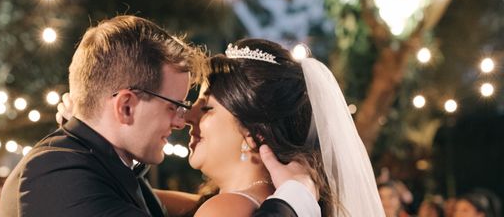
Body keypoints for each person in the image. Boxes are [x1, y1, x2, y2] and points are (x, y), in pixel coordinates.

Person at [0, 16, 314, 216]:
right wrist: (293, 201)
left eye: (200, 107)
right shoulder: (56, 176)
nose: (181, 119)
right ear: (125, 107)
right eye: (173, 105)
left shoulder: (88, 162)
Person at [155, 39, 383, 216]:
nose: (188, 116)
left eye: (207, 109)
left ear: (254, 134)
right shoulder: (263, 200)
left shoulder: (224, 209)